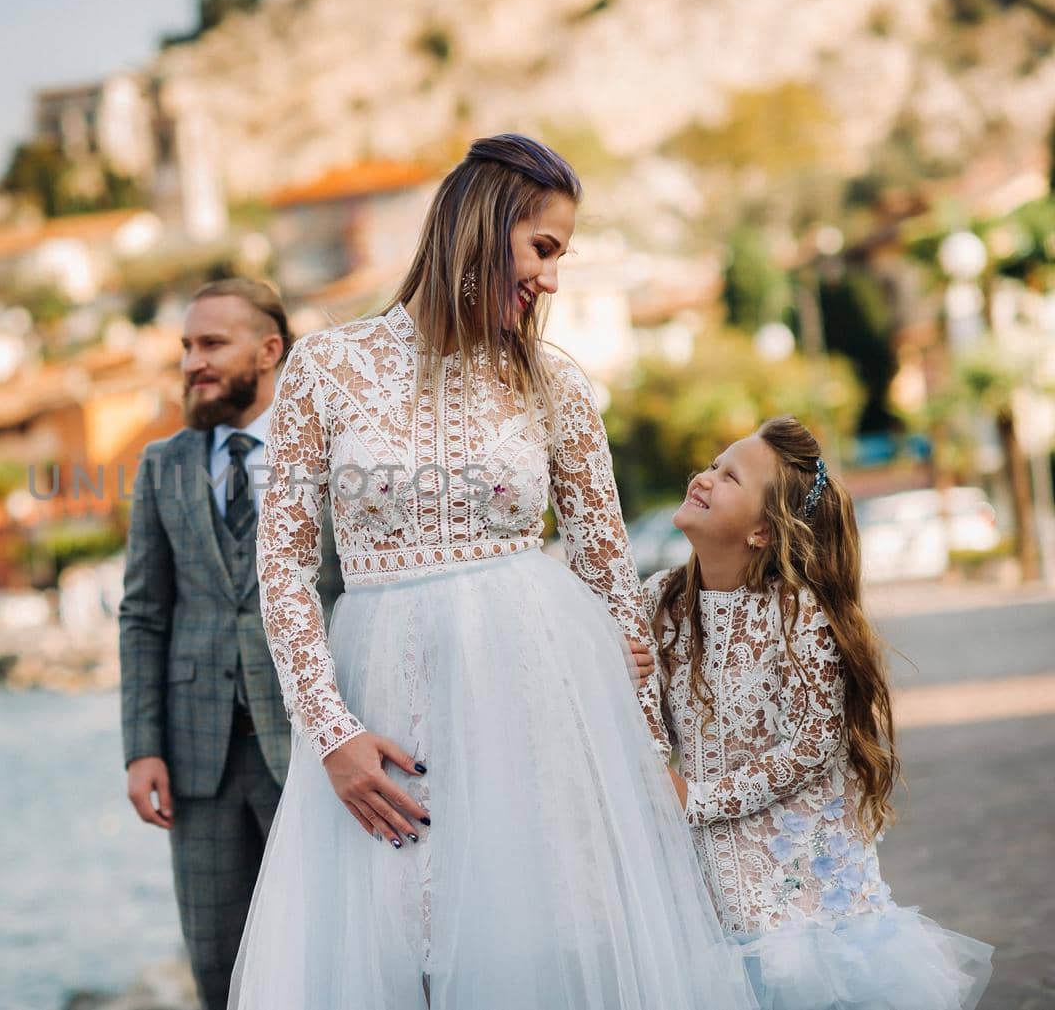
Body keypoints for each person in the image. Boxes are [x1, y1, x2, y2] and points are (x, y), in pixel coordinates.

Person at [230, 135, 754, 1008]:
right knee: (397, 952)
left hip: (541, 716)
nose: (551, 279)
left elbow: (609, 577)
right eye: (543, 248)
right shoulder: (326, 369)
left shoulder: (559, 387)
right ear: (482, 226)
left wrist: (647, 754)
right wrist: (330, 733)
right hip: (384, 719)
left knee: (548, 951)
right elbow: (280, 568)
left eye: (562, 256)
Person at [650, 416, 994, 1010]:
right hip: (708, 888)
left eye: (728, 476)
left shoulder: (797, 614)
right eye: (712, 464)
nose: (703, 478)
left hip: (803, 897)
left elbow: (813, 746)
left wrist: (697, 799)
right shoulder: (661, 601)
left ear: (762, 530)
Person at [118, 279, 347, 1010]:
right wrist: (141, 746)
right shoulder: (163, 465)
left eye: (211, 344)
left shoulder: (333, 451)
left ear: (269, 350)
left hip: (313, 747)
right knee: (221, 970)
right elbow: (144, 613)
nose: (192, 362)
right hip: (197, 760)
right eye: (186, 346)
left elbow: (350, 591)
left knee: (333, 950)